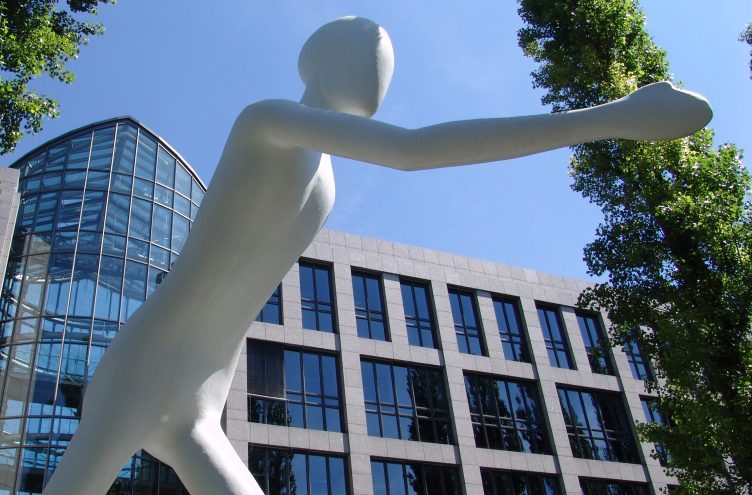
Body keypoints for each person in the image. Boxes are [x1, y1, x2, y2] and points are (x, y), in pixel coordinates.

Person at [43, 16, 711, 495]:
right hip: (147, 362)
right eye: (371, 54)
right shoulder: (266, 121)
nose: (381, 71)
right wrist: (607, 117)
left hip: (197, 396)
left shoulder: (325, 173)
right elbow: (412, 150)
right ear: (323, 59)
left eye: (385, 64)